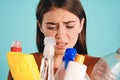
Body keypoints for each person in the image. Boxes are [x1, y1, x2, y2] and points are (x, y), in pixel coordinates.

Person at [8, 0, 100, 80]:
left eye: (69, 26)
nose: (61, 34)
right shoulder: (22, 66)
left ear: (81, 25)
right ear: (40, 26)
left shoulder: (98, 68)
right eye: (51, 27)